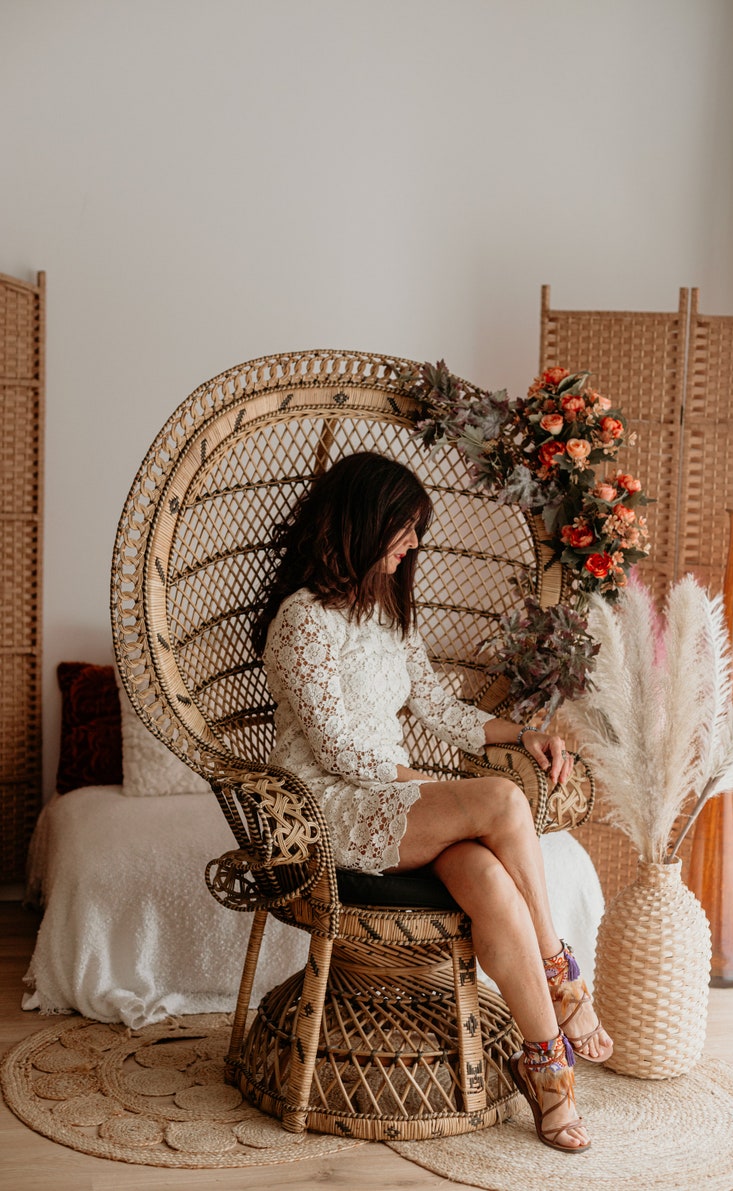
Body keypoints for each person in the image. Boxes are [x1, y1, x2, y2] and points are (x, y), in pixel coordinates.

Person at [252, 450, 612, 1154]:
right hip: (326, 806)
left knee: (487, 878)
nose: (415, 544)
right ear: (365, 520)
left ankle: (544, 1068)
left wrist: (525, 732)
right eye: (406, 528)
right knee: (503, 802)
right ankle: (565, 980)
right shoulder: (301, 621)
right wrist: (422, 783)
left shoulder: (387, 613)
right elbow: (332, 748)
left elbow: (440, 706)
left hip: (386, 797)